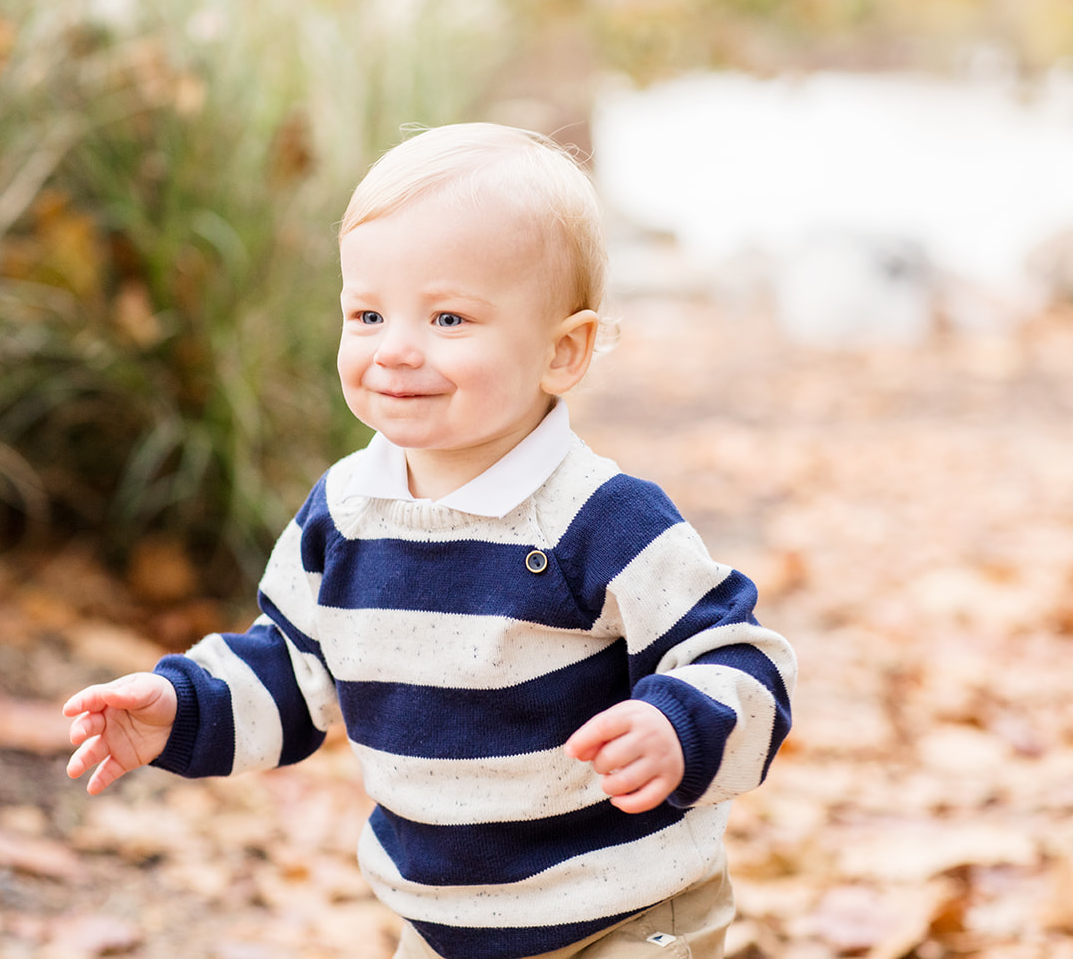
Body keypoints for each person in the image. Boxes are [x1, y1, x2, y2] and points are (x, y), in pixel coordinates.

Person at [63, 123, 798, 959]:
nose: (397, 349)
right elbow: (295, 671)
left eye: (449, 317)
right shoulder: (344, 514)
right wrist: (183, 707)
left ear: (564, 350)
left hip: (624, 909)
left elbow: (747, 659)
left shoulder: (600, 519)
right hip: (445, 925)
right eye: (368, 313)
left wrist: (678, 727)